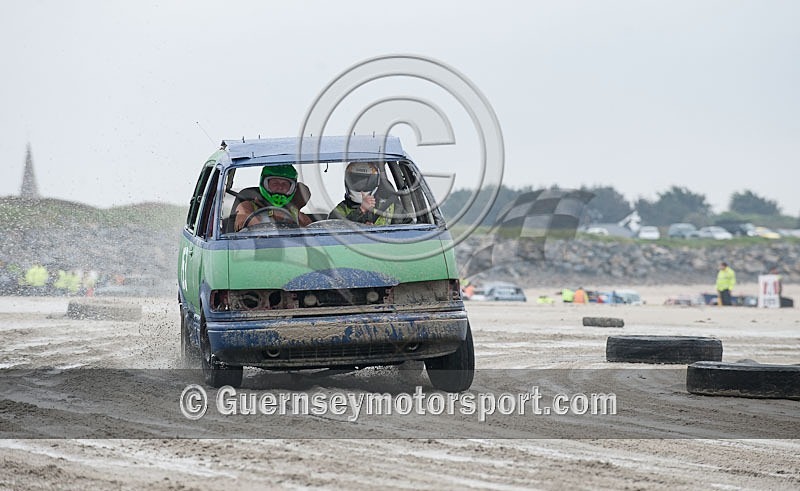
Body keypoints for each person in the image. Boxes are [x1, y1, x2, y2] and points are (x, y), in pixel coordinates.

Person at [234, 164, 311, 231]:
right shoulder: (246, 206)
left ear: (292, 188)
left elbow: (314, 235)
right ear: (264, 184)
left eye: (285, 184)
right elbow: (243, 221)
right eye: (275, 183)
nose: (280, 187)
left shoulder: (295, 213)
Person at [328, 162, 407, 225]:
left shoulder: (389, 207)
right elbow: (334, 234)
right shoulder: (340, 210)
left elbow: (409, 230)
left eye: (365, 182)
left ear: (375, 183)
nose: (361, 188)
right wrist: (361, 210)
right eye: (356, 182)